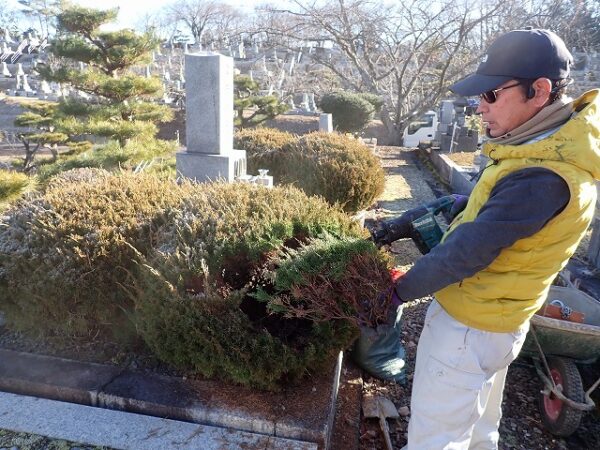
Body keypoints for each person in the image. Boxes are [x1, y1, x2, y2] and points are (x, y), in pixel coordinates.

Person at [393, 28, 600, 449]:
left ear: (538, 91)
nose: (478, 108)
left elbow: (469, 251)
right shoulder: (548, 147)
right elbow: (498, 210)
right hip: (499, 322)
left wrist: (396, 292)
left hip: (468, 331)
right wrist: (457, 203)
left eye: (490, 95)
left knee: (435, 440)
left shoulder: (543, 176)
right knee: (480, 432)